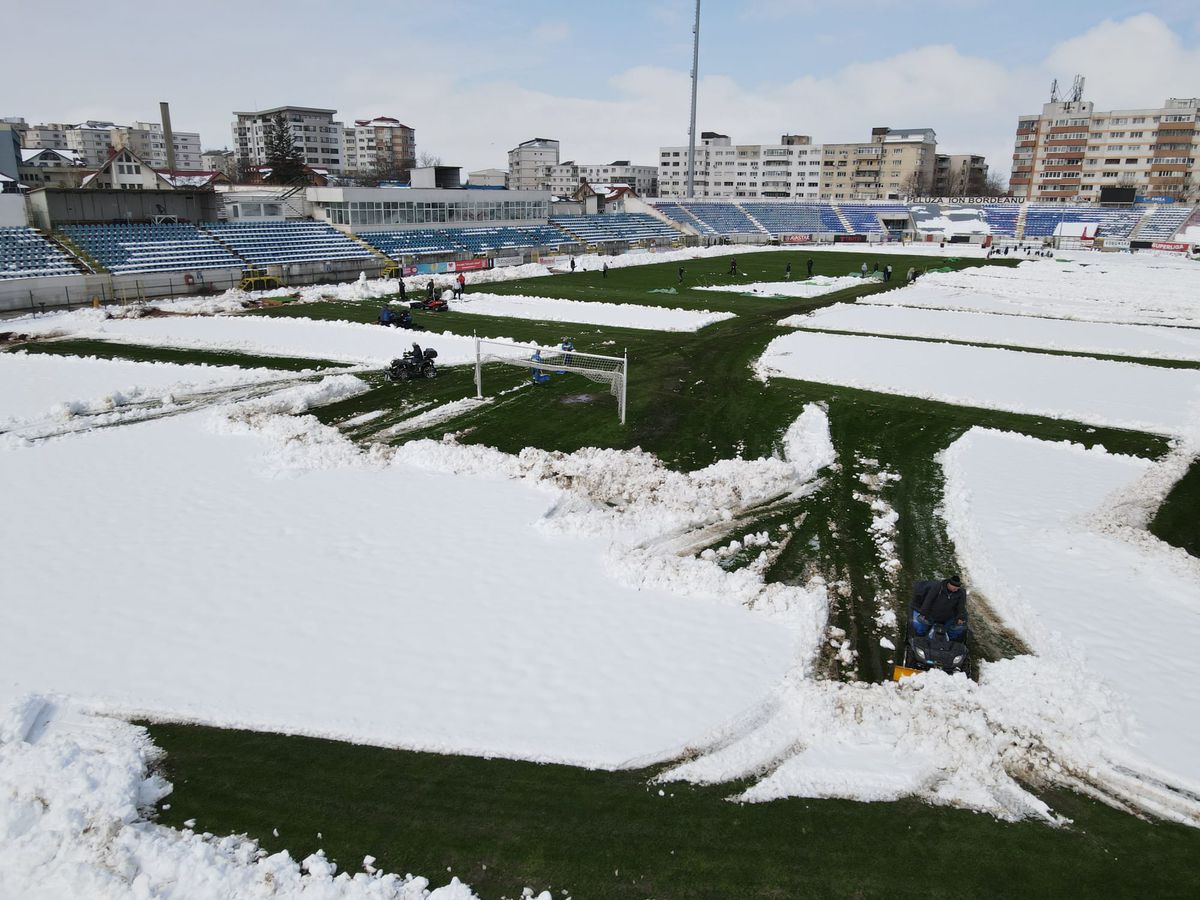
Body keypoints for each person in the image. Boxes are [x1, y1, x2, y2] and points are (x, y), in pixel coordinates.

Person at [912, 575, 967, 640]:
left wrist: (960, 617)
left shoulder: (960, 593)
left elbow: (961, 606)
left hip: (948, 616)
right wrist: (923, 613)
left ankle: (951, 641)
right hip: (932, 614)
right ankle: (918, 638)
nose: (956, 590)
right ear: (949, 585)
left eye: (957, 588)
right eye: (954, 588)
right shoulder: (938, 588)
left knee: (957, 628)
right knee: (921, 626)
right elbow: (928, 600)